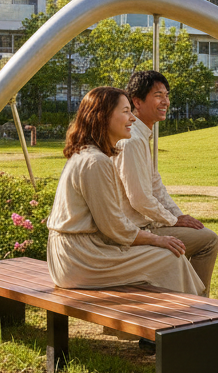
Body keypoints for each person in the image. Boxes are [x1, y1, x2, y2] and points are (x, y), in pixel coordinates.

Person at [45, 86, 204, 296]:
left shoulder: (88, 154)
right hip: (81, 259)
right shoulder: (95, 161)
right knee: (168, 258)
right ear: (102, 116)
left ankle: (188, 315)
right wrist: (157, 239)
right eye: (126, 111)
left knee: (163, 256)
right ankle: (193, 318)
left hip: (75, 255)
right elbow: (114, 226)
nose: (132, 119)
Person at [117, 70, 218, 291]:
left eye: (166, 94)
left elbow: (156, 186)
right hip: (135, 230)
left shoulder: (141, 136)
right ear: (137, 101)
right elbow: (140, 199)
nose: (165, 101)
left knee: (199, 237)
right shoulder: (132, 140)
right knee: (208, 240)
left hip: (145, 225)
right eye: (158, 95)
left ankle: (192, 304)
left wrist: (178, 215)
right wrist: (172, 221)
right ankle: (200, 309)